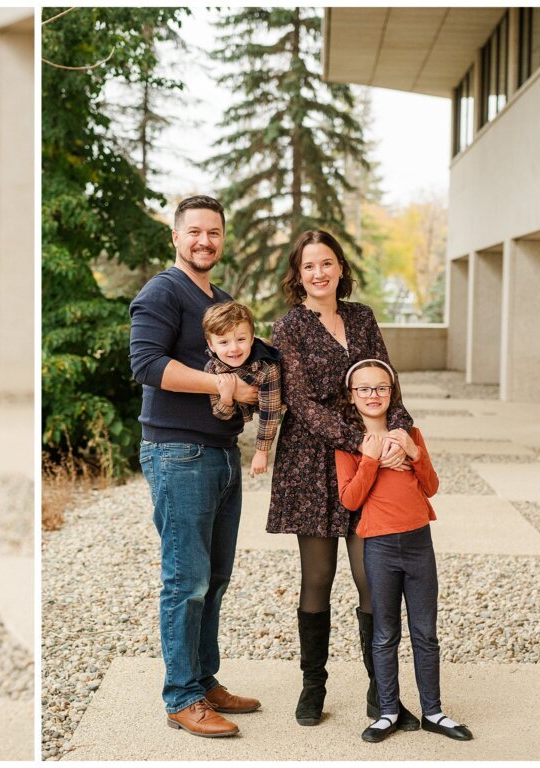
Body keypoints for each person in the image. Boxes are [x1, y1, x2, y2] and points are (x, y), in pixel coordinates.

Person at [265, 230, 420, 730]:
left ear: (339, 268)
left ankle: (383, 688)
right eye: (309, 265)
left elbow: (386, 379)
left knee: (370, 577)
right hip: (311, 461)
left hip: (367, 461)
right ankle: (314, 685)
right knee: (318, 577)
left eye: (326, 263)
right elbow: (303, 403)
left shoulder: (361, 317)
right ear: (298, 274)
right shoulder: (287, 327)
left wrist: (400, 432)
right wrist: (360, 442)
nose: (319, 273)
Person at [129, 196, 261, 738]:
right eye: (195, 232)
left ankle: (205, 681)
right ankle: (181, 697)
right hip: (178, 452)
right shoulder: (162, 291)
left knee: (216, 578)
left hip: (222, 455)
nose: (205, 241)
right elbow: (146, 364)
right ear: (176, 238)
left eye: (214, 233)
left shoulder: (222, 301)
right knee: (186, 580)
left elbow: (250, 359)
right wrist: (221, 384)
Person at [335, 359, 473, 743]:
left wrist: (413, 451)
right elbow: (349, 499)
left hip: (418, 545)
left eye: (381, 387)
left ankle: (433, 711)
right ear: (352, 396)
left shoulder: (411, 433)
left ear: (391, 392)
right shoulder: (350, 445)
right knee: (384, 634)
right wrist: (371, 459)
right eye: (364, 389)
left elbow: (430, 486)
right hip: (378, 546)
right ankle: (388, 710)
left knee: (425, 633)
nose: (373, 395)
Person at [201, 301, 282, 477]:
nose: (234, 348)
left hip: (272, 401)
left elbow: (270, 412)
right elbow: (221, 414)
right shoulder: (211, 369)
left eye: (241, 339)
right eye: (223, 342)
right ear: (211, 345)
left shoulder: (267, 367)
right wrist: (226, 397)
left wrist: (261, 452)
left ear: (252, 339)